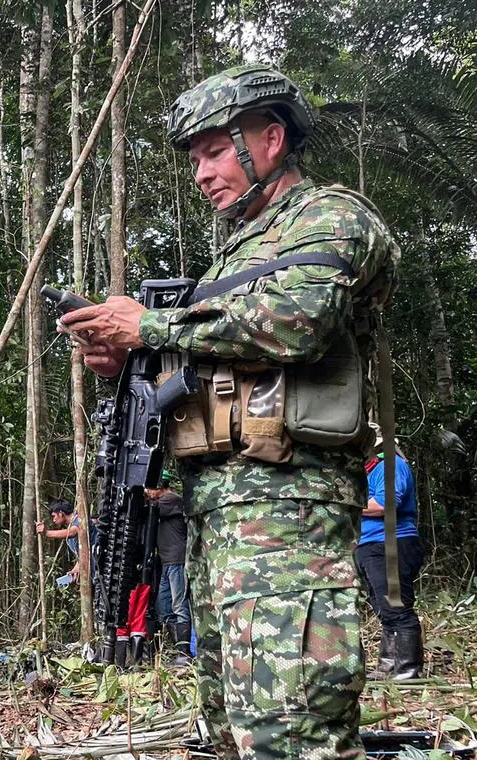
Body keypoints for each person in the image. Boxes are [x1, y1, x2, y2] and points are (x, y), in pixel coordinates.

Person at [60, 63, 399, 760]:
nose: (202, 173)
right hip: (219, 511)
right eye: (196, 158)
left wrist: (151, 327)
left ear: (270, 140)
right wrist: (130, 359)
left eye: (215, 150)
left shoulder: (330, 216)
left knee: (291, 728)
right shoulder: (234, 256)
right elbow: (221, 365)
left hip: (287, 509)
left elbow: (299, 320)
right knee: (232, 731)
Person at [357, 424, 424, 680]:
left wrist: (346, 503)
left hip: (391, 542)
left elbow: (385, 504)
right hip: (369, 544)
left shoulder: (390, 464)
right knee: (383, 606)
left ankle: (408, 669)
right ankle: (388, 664)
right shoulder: (368, 469)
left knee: (397, 606)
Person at [146, 476, 192, 665]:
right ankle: (179, 651)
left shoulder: (170, 499)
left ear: (159, 487)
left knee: (179, 605)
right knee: (164, 607)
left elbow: (151, 510)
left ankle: (185, 654)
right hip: (166, 562)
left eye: (149, 488)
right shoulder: (161, 502)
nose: (147, 493)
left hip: (176, 560)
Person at [36, 498, 98, 583]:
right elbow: (84, 550)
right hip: (94, 573)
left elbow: (74, 531)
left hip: (102, 565)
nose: (53, 520)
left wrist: (47, 533)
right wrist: (77, 567)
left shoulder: (81, 519)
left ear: (61, 513)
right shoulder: (70, 533)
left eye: (54, 516)